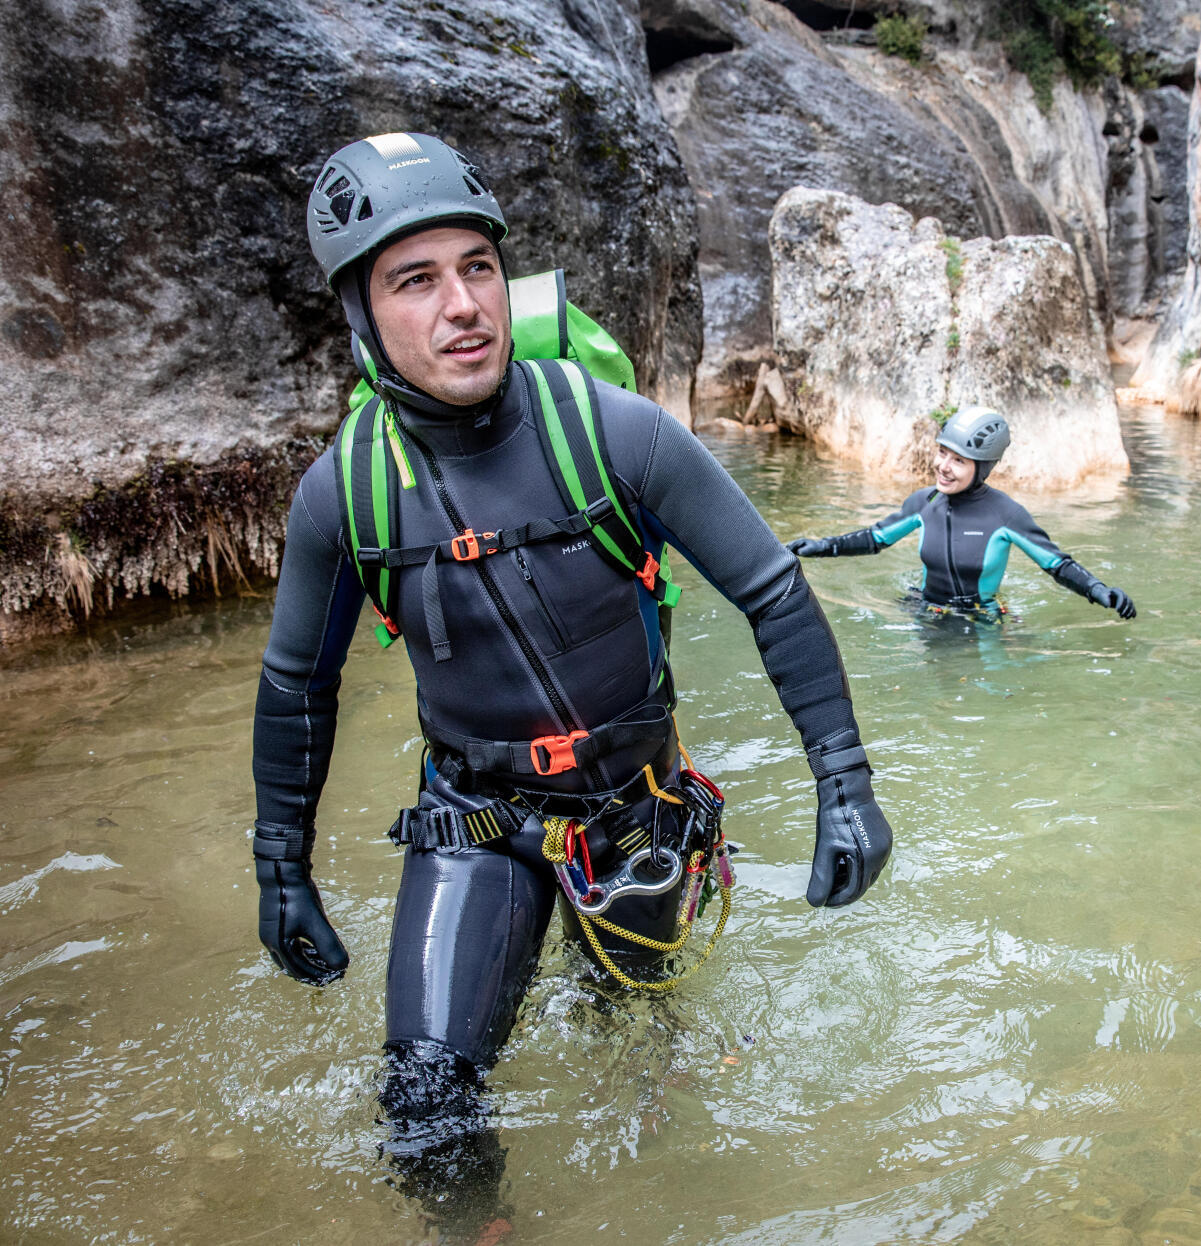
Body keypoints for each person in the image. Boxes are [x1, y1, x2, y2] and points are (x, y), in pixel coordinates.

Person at [250, 132, 892, 1225]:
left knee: (637, 1032)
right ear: (361, 316)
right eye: (418, 280)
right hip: (478, 820)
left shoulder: (612, 431)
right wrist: (279, 866)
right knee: (422, 1109)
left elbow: (773, 591)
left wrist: (845, 781)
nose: (464, 305)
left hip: (634, 815)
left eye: (479, 268)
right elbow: (295, 690)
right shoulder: (343, 493)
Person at [787, 408, 1137, 622]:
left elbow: (1056, 564)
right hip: (925, 612)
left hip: (982, 619)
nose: (944, 467)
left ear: (982, 467)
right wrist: (820, 547)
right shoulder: (924, 503)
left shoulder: (1006, 514)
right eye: (942, 453)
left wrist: (1098, 590)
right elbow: (874, 539)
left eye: (959, 460)